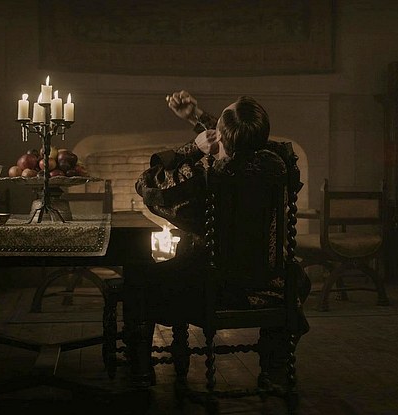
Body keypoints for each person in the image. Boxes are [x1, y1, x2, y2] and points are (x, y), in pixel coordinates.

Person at [124, 91, 310, 384]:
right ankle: (275, 368)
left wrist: (193, 149)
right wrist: (197, 117)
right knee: (297, 276)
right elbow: (246, 140)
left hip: (214, 289)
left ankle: (140, 373)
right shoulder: (280, 165)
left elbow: (147, 186)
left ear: (220, 137)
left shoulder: (205, 176)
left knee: (138, 281)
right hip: (271, 286)